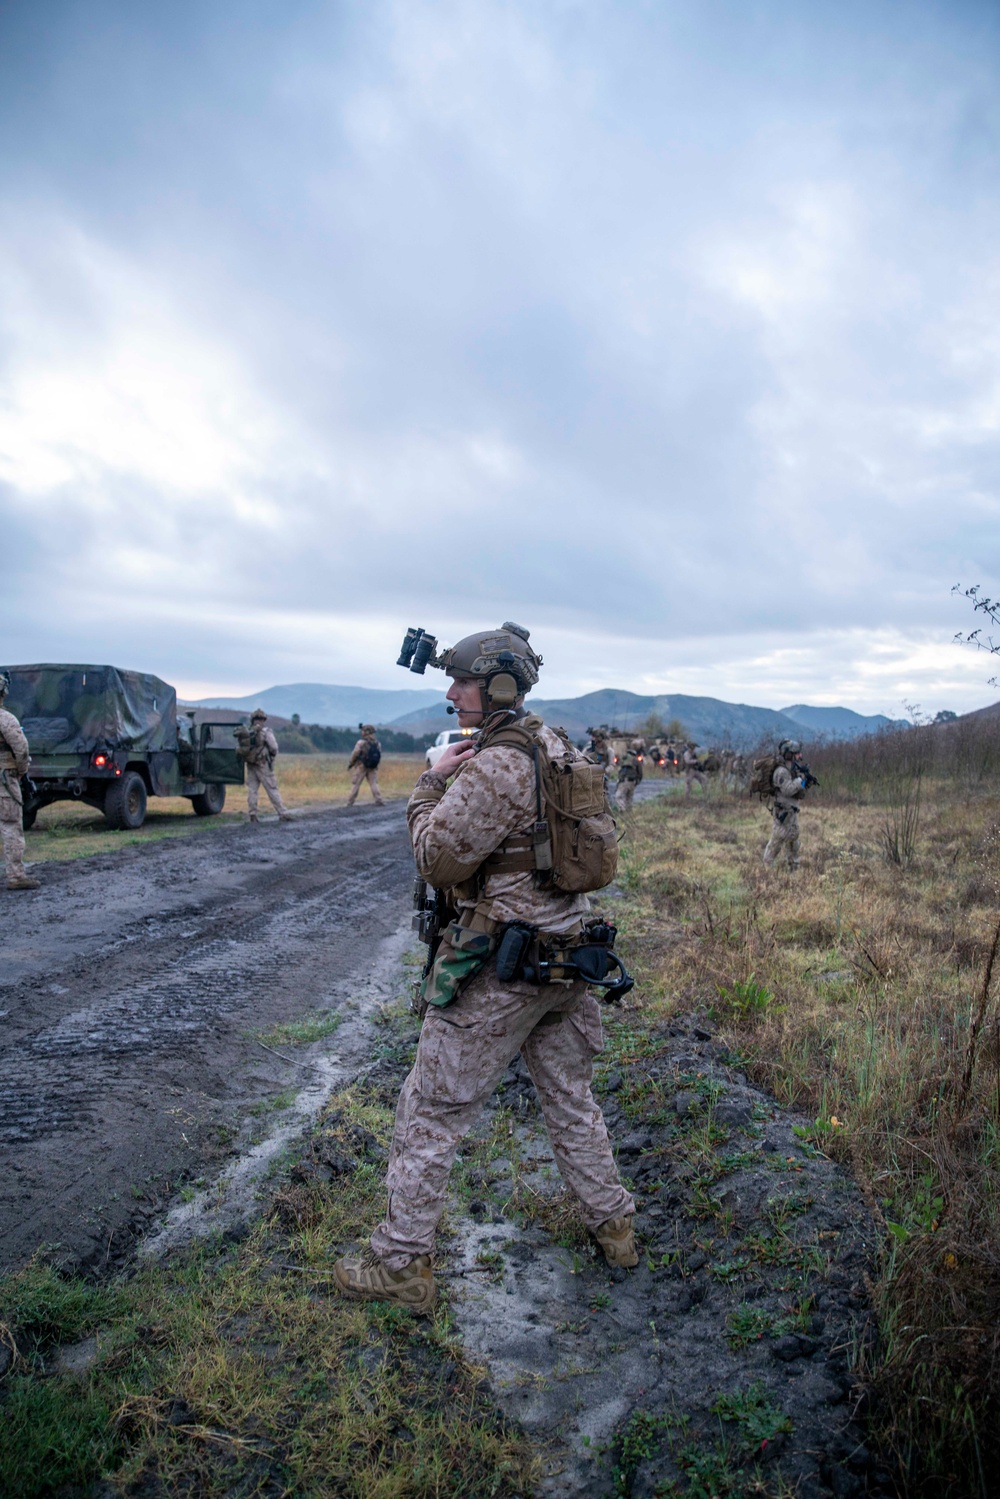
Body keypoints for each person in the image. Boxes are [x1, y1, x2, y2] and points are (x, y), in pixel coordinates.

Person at [334, 622, 637, 1313]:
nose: (451, 693)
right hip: (566, 962)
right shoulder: (554, 742)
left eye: (462, 683)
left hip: (503, 968)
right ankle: (614, 1226)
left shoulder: (496, 764)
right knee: (571, 1099)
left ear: (498, 687)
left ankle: (402, 1262)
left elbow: (439, 860)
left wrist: (425, 789)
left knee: (431, 1110)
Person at [0, 672, 40, 891]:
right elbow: (21, 750)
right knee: (11, 825)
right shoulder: (5, 719)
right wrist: (21, 772)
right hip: (4, 780)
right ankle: (16, 876)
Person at [762, 739, 809, 870]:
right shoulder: (781, 772)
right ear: (789, 754)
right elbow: (787, 789)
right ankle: (766, 869)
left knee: (794, 839)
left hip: (792, 811)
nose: (800, 756)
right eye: (797, 753)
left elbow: (797, 790)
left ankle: (794, 866)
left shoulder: (791, 769)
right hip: (783, 812)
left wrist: (805, 782)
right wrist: (800, 781)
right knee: (777, 840)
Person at [240, 709, 292, 823]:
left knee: (252, 790)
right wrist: (272, 756)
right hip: (263, 764)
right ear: (263, 720)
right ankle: (282, 813)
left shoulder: (247, 732)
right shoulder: (266, 732)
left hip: (250, 764)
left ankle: (252, 815)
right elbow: (273, 747)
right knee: (272, 788)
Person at [346, 723, 385, 806]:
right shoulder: (377, 743)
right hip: (372, 767)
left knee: (356, 783)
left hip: (361, 766)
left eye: (363, 730)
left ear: (366, 732)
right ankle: (379, 800)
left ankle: (350, 802)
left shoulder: (361, 742)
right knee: (374, 783)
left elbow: (355, 753)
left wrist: (351, 763)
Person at [615, 739, 643, 813]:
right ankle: (629, 812)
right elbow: (640, 773)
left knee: (619, 796)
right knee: (629, 797)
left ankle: (622, 810)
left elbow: (619, 770)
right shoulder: (636, 760)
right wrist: (637, 781)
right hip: (632, 781)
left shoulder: (624, 759)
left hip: (624, 780)